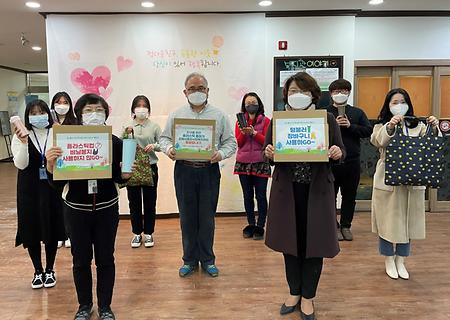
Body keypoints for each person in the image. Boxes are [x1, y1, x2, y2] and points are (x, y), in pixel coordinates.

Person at [264, 72, 345, 320]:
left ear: (313, 95)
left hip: (317, 191)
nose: (297, 96)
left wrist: (336, 152)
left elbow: (341, 150)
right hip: (287, 192)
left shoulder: (327, 119)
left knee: (314, 245)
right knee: (290, 243)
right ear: (285, 95)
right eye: (292, 92)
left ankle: (308, 296)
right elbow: (268, 154)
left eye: (303, 91)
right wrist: (269, 153)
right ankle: (294, 292)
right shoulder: (279, 121)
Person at [46, 94, 132, 320]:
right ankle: (84, 305)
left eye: (98, 109)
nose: (94, 114)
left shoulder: (115, 142)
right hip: (76, 210)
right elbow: (57, 183)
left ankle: (105, 306)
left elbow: (120, 178)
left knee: (106, 258)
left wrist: (125, 175)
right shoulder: (65, 141)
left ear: (105, 113)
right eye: (88, 110)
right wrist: (50, 164)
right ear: (80, 114)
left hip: (107, 209)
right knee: (80, 260)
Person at [160, 72, 237, 278]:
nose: (197, 92)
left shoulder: (219, 115)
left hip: (208, 171)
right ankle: (189, 260)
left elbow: (231, 142)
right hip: (184, 169)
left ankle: (208, 259)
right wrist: (169, 150)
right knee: (187, 217)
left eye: (201, 88)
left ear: (208, 91)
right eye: (192, 89)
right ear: (185, 92)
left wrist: (220, 154)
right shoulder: (176, 115)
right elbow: (164, 139)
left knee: (207, 217)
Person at [370, 88, 439, 280]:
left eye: (402, 101)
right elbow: (378, 141)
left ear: (408, 104)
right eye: (394, 102)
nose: (398, 105)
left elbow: (433, 145)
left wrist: (434, 128)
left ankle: (401, 259)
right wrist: (390, 126)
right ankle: (388, 259)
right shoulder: (381, 126)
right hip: (388, 183)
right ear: (388, 106)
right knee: (387, 223)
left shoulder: (419, 127)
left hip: (413, 182)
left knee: (408, 223)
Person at [11, 99, 66, 289]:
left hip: (51, 186)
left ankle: (50, 269)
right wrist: (24, 142)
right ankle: (37, 271)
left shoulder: (56, 132)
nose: (38, 116)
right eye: (33, 113)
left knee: (51, 226)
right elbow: (21, 164)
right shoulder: (21, 135)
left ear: (48, 114)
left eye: (41, 111)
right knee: (31, 227)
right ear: (27, 116)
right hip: (29, 189)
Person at [325, 79, 373, 241]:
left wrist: (350, 126)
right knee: (329, 196)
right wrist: (334, 127)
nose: (340, 94)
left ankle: (346, 226)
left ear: (349, 93)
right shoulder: (324, 112)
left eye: (344, 91)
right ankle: (333, 226)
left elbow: (368, 131)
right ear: (330, 93)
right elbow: (317, 135)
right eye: (336, 91)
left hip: (352, 161)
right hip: (330, 162)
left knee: (349, 196)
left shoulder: (357, 112)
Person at [124, 95, 161, 248]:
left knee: (150, 202)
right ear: (133, 109)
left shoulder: (154, 126)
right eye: (138, 105)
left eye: (144, 105)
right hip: (132, 168)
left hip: (150, 167)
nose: (141, 108)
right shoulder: (128, 125)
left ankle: (149, 233)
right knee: (134, 202)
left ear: (148, 109)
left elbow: (163, 143)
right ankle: (137, 233)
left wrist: (154, 146)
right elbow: (122, 145)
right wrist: (126, 133)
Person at [234, 92, 271, 240]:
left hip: (260, 163)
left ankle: (260, 226)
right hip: (243, 163)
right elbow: (239, 143)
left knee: (261, 196)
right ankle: (250, 224)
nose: (251, 105)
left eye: (253, 102)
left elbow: (267, 142)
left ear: (259, 103)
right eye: (248, 103)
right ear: (244, 105)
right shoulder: (239, 121)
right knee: (247, 196)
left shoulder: (266, 121)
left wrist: (254, 133)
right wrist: (244, 132)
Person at [50, 91, 77, 249]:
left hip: (69, 166)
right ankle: (60, 234)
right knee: (55, 203)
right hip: (54, 166)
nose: (62, 105)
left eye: (65, 102)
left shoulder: (74, 122)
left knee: (67, 202)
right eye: (58, 102)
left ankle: (69, 234)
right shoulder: (48, 122)